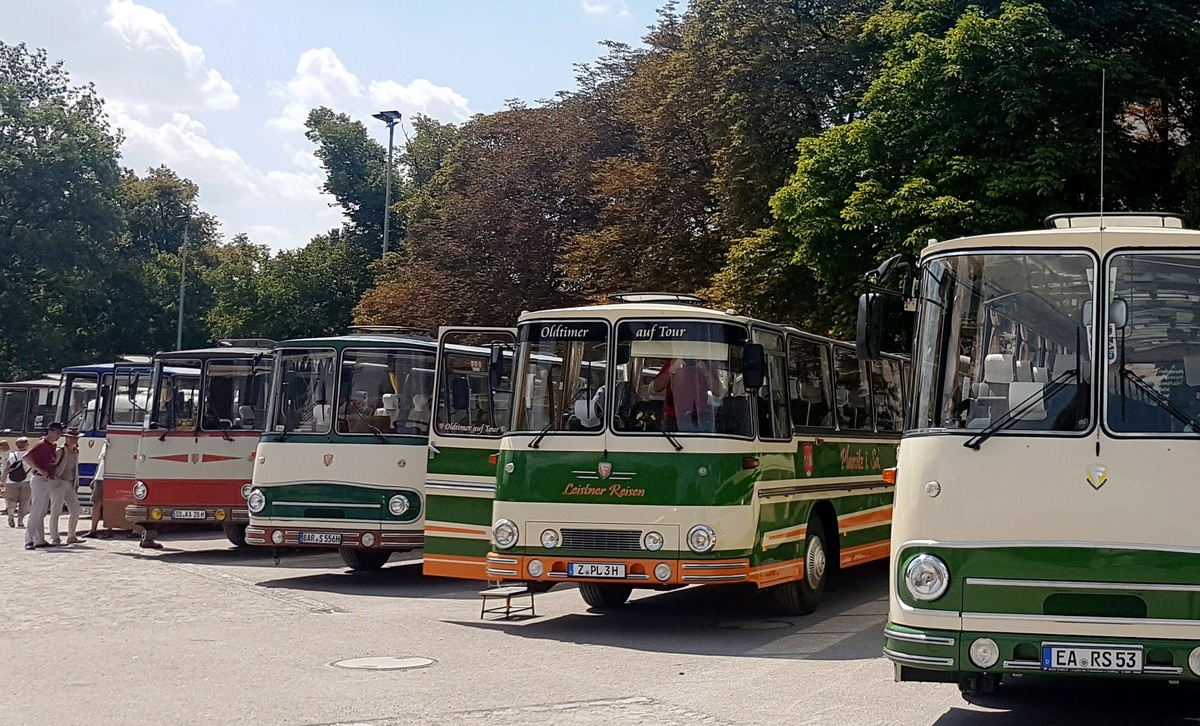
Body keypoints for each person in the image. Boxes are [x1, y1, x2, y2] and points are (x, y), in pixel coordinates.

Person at [23, 422, 63, 550]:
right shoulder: (41, 444)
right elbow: (26, 457)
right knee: (36, 510)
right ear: (50, 431)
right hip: (39, 480)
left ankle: (39, 540)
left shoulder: (52, 446)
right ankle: (28, 540)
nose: (58, 436)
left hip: (47, 480)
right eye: (57, 433)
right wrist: (40, 470)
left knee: (42, 511)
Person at [650, 358, 715, 432]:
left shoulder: (706, 363)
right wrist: (672, 370)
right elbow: (656, 388)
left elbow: (718, 391)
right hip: (674, 419)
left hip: (701, 419)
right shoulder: (673, 362)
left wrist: (706, 372)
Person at [47, 427, 83, 545]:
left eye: (75, 438)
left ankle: (71, 535)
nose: (74, 440)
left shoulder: (76, 451)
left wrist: (76, 482)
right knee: (56, 510)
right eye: (71, 437)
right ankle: (55, 537)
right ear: (66, 438)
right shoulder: (60, 451)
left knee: (75, 510)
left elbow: (75, 468)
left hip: (70, 483)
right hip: (59, 482)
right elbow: (52, 465)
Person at [84, 439, 112, 538]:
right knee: (96, 504)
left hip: (110, 476)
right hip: (99, 477)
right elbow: (100, 462)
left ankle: (109, 529)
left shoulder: (116, 445)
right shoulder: (105, 443)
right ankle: (93, 530)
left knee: (108, 505)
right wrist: (94, 478)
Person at [5, 437, 32, 529]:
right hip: (27, 481)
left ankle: (11, 515)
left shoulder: (12, 455)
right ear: (25, 445)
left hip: (11, 481)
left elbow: (6, 469)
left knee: (11, 500)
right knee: (25, 501)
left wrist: (2, 480)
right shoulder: (30, 455)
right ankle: (20, 521)